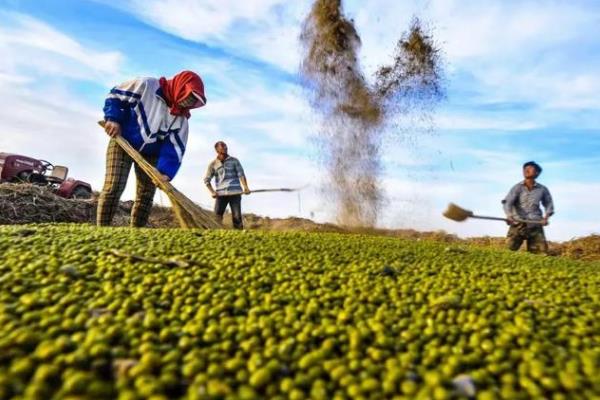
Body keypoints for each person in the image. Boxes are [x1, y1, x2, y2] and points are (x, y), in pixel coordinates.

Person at [97, 71, 206, 227]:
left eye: (192, 101)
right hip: (123, 142)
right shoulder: (147, 86)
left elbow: (174, 148)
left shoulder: (181, 119)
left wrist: (165, 172)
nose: (187, 103)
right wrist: (113, 119)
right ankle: (102, 228)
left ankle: (137, 233)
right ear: (180, 87)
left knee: (146, 195)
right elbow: (115, 96)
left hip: (151, 154)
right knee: (114, 186)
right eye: (188, 97)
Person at [502, 161, 555, 254]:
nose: (526, 170)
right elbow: (507, 203)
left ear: (537, 173)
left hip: (535, 223)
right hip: (518, 223)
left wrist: (546, 218)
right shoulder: (517, 187)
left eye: (530, 168)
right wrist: (509, 216)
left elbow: (549, 204)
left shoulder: (542, 189)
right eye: (525, 168)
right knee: (507, 252)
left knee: (540, 255)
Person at [204, 141, 250, 229]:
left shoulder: (234, 161)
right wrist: (212, 192)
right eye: (222, 148)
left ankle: (239, 235)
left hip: (235, 192)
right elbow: (207, 180)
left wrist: (245, 187)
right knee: (217, 217)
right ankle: (216, 234)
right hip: (221, 194)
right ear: (217, 150)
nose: (225, 149)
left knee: (237, 217)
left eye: (225, 147)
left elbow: (241, 175)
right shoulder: (213, 164)